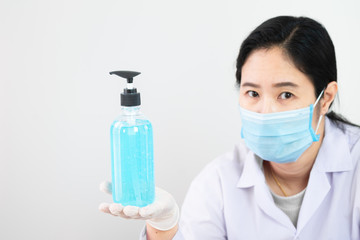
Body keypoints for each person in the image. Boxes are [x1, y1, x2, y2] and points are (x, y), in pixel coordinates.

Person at [99, 16, 360, 239]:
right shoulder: (218, 182)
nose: (265, 111)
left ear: (325, 98)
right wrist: (164, 228)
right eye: (253, 93)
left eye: (285, 95)